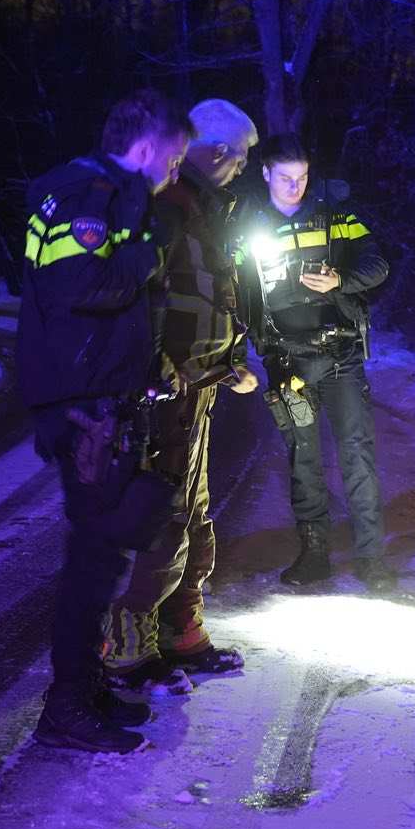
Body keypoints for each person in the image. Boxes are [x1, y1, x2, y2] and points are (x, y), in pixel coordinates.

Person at [17, 87, 192, 753]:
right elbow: (79, 285)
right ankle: (66, 706)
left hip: (100, 394)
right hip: (82, 401)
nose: (174, 173)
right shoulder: (84, 192)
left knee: (105, 549)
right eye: (173, 160)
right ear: (145, 147)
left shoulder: (111, 194)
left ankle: (83, 690)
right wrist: (151, 255)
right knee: (94, 555)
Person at [101, 99, 262, 697]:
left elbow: (213, 292)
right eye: (241, 157)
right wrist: (153, 366)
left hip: (195, 386)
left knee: (193, 512)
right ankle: (125, 647)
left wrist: (228, 361)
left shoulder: (207, 206)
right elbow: (137, 292)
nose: (244, 167)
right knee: (160, 515)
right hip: (163, 390)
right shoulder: (169, 206)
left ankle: (179, 630)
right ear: (216, 152)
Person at [238, 135, 393, 589]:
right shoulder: (245, 227)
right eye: (285, 178)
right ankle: (314, 554)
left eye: (302, 177)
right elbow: (234, 292)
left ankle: (372, 559)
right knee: (302, 459)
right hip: (287, 362)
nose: (295, 187)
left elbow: (378, 265)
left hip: (340, 353)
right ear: (265, 173)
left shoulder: (335, 216)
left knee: (357, 454)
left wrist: (340, 280)